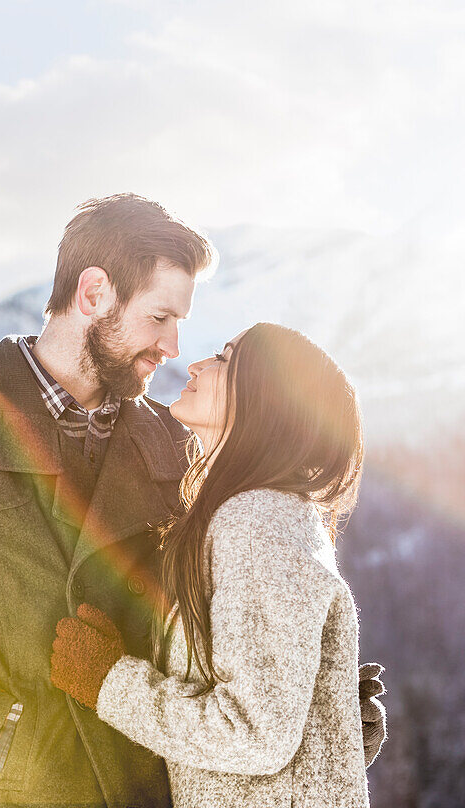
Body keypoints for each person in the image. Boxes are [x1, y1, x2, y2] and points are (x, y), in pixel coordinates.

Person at [0, 194, 385, 807]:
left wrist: (308, 703)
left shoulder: (175, 445)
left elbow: (210, 627)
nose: (173, 346)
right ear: (94, 294)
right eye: (160, 317)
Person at [50, 323, 377, 807]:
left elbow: (254, 730)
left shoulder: (257, 521)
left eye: (225, 359)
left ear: (269, 400)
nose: (198, 363)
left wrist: (108, 683)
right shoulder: (263, 516)